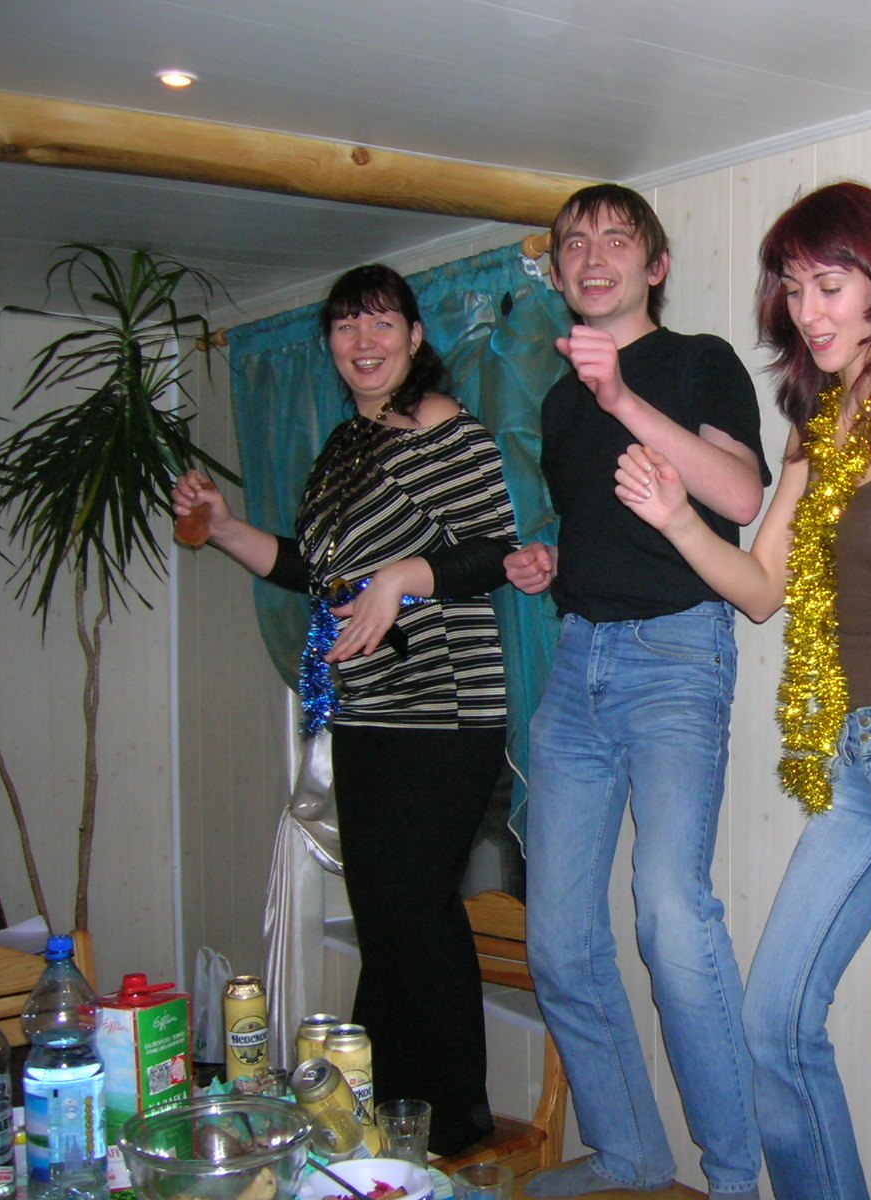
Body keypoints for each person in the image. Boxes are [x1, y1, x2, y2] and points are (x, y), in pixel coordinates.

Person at [616, 181, 871, 1200]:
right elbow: (761, 590)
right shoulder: (814, 427)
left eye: (830, 285)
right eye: (793, 289)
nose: (808, 311)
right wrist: (678, 519)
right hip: (855, 760)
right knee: (773, 1021)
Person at [171, 263, 516, 1156]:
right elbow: (311, 569)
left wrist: (402, 576)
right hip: (367, 711)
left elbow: (493, 551)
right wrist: (221, 524)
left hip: (442, 711)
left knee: (416, 910)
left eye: (381, 323)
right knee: (385, 916)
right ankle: (378, 1113)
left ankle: (453, 1124)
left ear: (414, 336)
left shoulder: (438, 424)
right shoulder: (344, 447)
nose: (364, 341)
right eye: (346, 325)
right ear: (329, 344)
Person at [503, 184, 769, 1199]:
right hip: (580, 663)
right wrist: (552, 562)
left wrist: (622, 398)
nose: (592, 255)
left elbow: (738, 495)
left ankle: (733, 1179)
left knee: (669, 913)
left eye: (617, 239)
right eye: (574, 243)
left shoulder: (697, 361)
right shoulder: (557, 400)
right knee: (557, 938)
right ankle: (628, 1155)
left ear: (654, 266)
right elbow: (609, 520)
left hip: (675, 659)